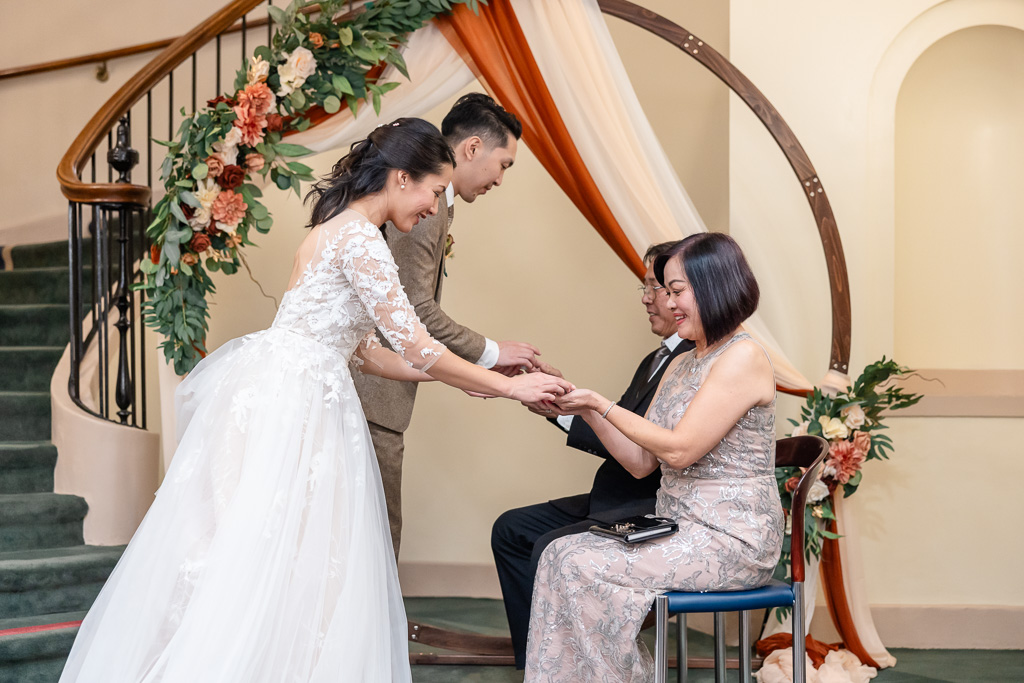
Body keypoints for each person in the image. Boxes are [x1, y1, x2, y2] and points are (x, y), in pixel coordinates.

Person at [58, 118, 572, 683]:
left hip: (294, 385)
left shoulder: (341, 229)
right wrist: (505, 383)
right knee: (279, 549)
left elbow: (365, 353)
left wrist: (468, 378)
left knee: (277, 549)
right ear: (402, 178)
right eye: (432, 189)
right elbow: (416, 343)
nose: (433, 206)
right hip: (297, 402)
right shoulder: (358, 237)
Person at [525, 233, 783, 682]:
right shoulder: (685, 362)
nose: (667, 301)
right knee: (559, 554)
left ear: (713, 286)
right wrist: (586, 405)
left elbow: (680, 450)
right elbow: (642, 462)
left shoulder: (743, 357)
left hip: (731, 537)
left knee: (579, 564)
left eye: (676, 290)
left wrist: (601, 403)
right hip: (679, 526)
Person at [490, 240, 694, 670]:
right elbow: (615, 427)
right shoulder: (655, 358)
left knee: (550, 546)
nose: (646, 298)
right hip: (613, 493)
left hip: (643, 502)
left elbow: (641, 447)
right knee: (511, 529)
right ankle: (539, 663)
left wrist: (574, 406)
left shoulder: (692, 359)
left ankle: (565, 666)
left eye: (654, 286)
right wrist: (559, 402)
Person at [353, 93, 541, 557]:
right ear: (472, 148)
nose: (501, 178)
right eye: (504, 164)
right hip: (368, 399)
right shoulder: (417, 206)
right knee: (375, 536)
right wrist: (491, 358)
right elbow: (415, 309)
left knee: (367, 532)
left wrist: (461, 374)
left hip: (377, 378)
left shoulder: (425, 204)